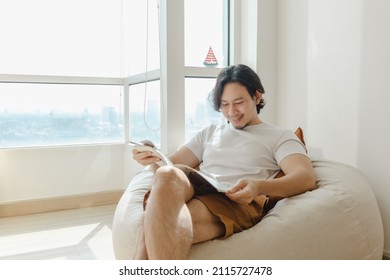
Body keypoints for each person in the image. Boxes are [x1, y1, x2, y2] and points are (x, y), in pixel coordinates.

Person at [132, 64, 316, 259]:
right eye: (225, 104)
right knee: (166, 173)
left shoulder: (280, 137)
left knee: (156, 222)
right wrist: (151, 157)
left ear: (257, 96)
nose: (231, 112)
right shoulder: (210, 133)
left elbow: (305, 177)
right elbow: (170, 164)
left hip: (234, 199)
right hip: (200, 185)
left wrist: (259, 187)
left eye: (238, 102)